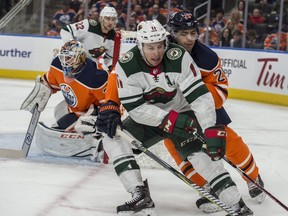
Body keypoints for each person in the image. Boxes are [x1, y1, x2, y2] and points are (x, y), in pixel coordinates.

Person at [93, 20, 253, 215]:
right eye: (151, 47)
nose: (156, 52)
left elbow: (200, 98)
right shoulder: (127, 65)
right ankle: (139, 194)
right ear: (140, 45)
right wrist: (167, 119)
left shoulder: (178, 57)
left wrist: (210, 128)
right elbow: (136, 109)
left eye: (160, 46)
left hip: (183, 114)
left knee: (201, 157)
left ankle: (237, 204)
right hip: (147, 118)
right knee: (113, 138)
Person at [166, 11, 265, 212]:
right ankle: (206, 186)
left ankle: (252, 177)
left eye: (193, 33)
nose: (189, 39)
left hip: (204, 107)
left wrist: (195, 96)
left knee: (228, 141)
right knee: (175, 146)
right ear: (172, 33)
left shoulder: (207, 58)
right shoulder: (159, 51)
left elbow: (221, 91)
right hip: (171, 110)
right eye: (183, 34)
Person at [20, 40, 109, 162]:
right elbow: (50, 82)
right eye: (63, 57)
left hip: (91, 111)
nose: (65, 61)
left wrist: (100, 120)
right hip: (74, 107)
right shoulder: (57, 64)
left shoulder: (95, 76)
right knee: (59, 111)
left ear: (80, 58)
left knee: (67, 130)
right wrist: (43, 90)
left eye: (69, 58)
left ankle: (96, 141)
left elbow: (111, 101)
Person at [60, 6, 117, 70]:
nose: (110, 22)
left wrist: (112, 69)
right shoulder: (89, 25)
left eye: (113, 19)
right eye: (108, 19)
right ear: (101, 18)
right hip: (75, 61)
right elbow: (66, 30)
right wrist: (72, 45)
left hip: (91, 65)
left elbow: (109, 58)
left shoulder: (114, 37)